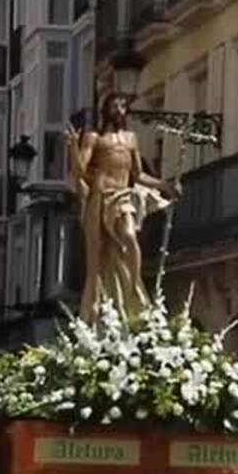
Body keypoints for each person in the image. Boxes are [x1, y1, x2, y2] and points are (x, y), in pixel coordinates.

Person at [67, 91, 181, 321]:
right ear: (106, 110)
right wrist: (72, 147)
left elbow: (138, 174)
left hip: (123, 196)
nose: (120, 110)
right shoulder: (94, 138)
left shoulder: (131, 139)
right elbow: (79, 171)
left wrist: (164, 185)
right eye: (115, 106)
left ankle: (132, 288)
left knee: (129, 235)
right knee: (96, 260)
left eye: (123, 106)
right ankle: (94, 307)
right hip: (99, 198)